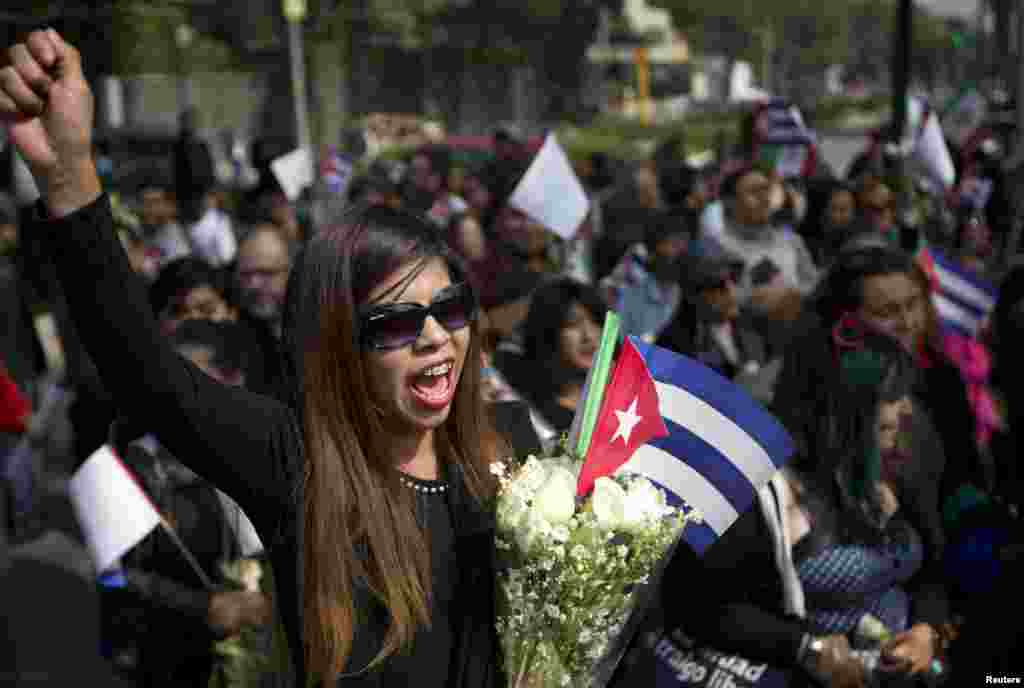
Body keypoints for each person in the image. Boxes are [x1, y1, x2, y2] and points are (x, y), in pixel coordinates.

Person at [1, 29, 502, 688]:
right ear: (340, 345)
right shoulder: (297, 461)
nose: (437, 336)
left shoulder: (507, 457)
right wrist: (68, 175)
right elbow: (145, 371)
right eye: (398, 322)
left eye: (453, 308)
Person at [503, 278, 607, 441]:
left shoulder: (624, 397)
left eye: (595, 322)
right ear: (548, 336)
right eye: (572, 324)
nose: (588, 335)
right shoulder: (537, 421)